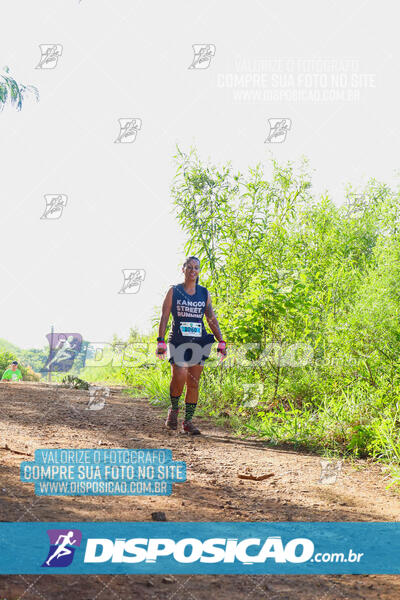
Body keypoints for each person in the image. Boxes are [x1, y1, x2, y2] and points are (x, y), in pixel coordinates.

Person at [157, 256, 227, 435]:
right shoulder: (174, 291)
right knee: (179, 374)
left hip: (199, 341)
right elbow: (165, 316)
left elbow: (210, 318)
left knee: (193, 382)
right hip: (178, 340)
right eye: (189, 267)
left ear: (199, 271)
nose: (193, 271)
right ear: (183, 269)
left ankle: (187, 422)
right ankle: (173, 410)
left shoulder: (204, 293)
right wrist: (161, 340)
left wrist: (221, 340)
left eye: (196, 268)